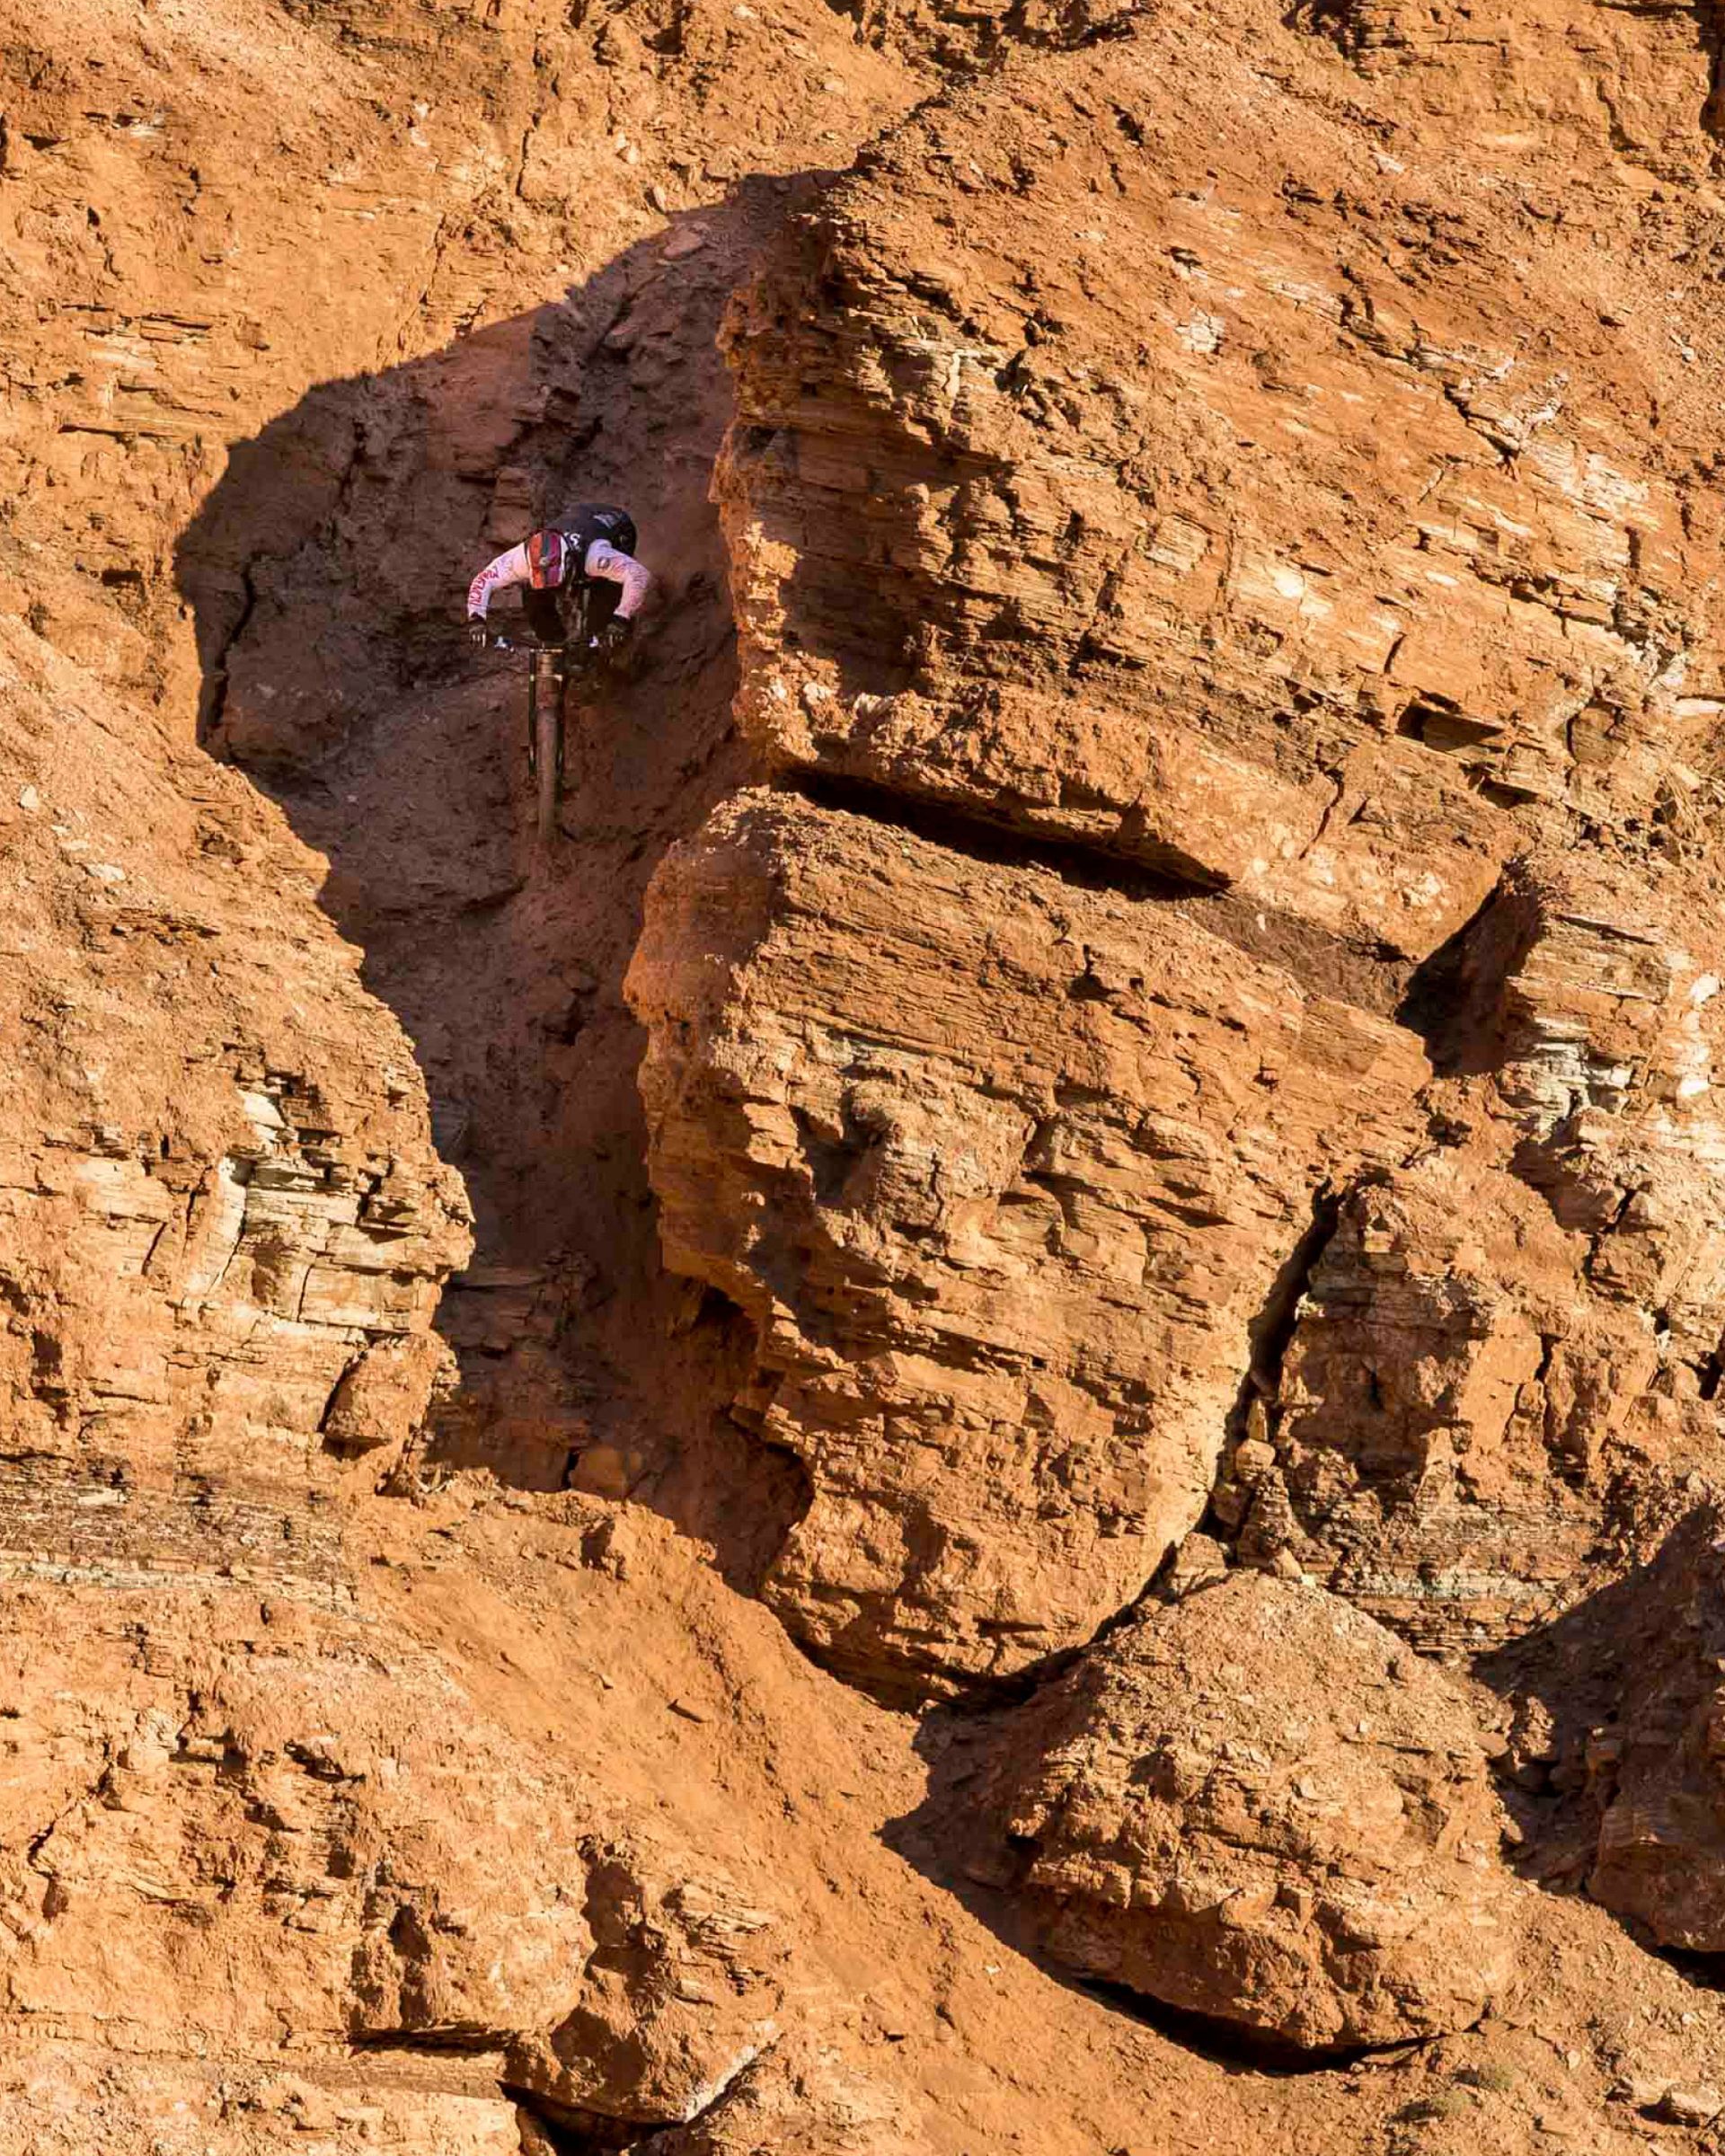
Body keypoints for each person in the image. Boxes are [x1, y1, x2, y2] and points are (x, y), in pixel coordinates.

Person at [466, 503, 653, 655]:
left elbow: (638, 574)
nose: (555, 589)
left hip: (617, 528)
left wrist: (621, 617)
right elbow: (484, 579)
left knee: (603, 602)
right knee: (532, 592)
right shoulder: (521, 559)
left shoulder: (595, 557)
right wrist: (476, 618)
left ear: (569, 563)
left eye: (558, 582)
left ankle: (612, 651)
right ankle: (553, 644)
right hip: (576, 521)